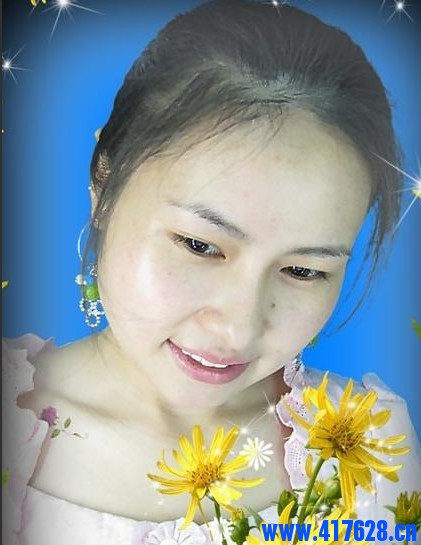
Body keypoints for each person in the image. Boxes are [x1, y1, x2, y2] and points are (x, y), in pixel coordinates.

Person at [2, 1, 421, 544]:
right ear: (104, 182)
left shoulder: (369, 446)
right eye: (200, 245)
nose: (239, 329)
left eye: (303, 270)